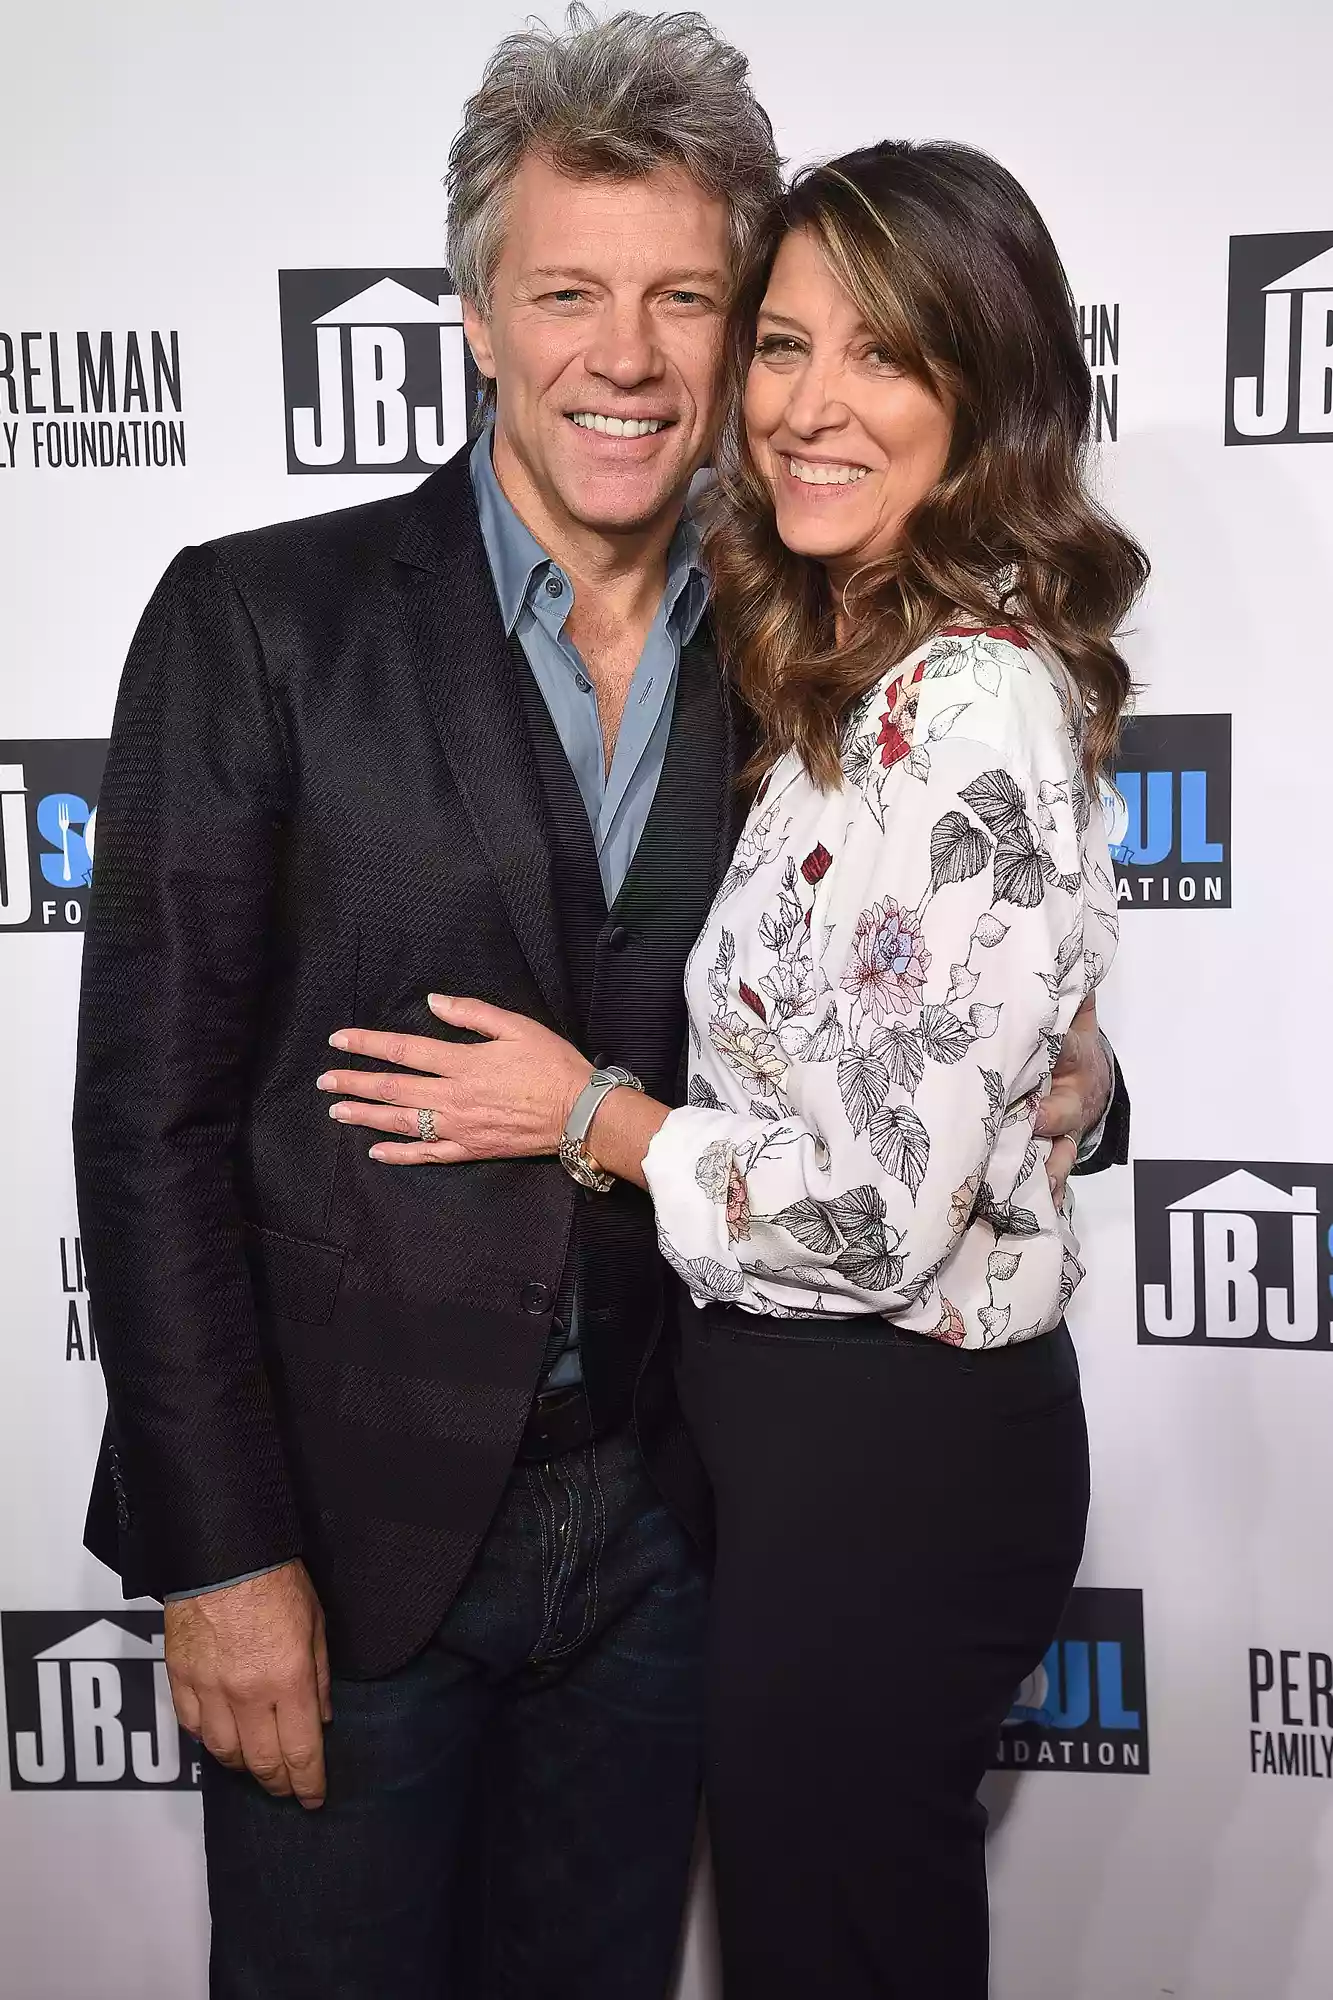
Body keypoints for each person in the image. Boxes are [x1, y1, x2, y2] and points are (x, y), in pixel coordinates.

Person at [72, 7, 1124, 1992]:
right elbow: (151, 1123)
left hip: (673, 1537)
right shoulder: (257, 622)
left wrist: (1075, 1073)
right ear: (476, 314)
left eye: (685, 298)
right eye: (567, 292)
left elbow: (903, 1004)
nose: (625, 355)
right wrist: (221, 1558)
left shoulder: (819, 644)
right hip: (349, 1541)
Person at [320, 139, 1147, 1999]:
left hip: (893, 1459)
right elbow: (938, 1026)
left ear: (987, 394)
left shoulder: (966, 697)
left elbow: (869, 1214)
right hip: (795, 1459)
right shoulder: (849, 661)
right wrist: (1073, 1079)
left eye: (885, 357)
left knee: (841, 1949)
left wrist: (590, 1117)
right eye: (782, 344)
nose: (807, 407)